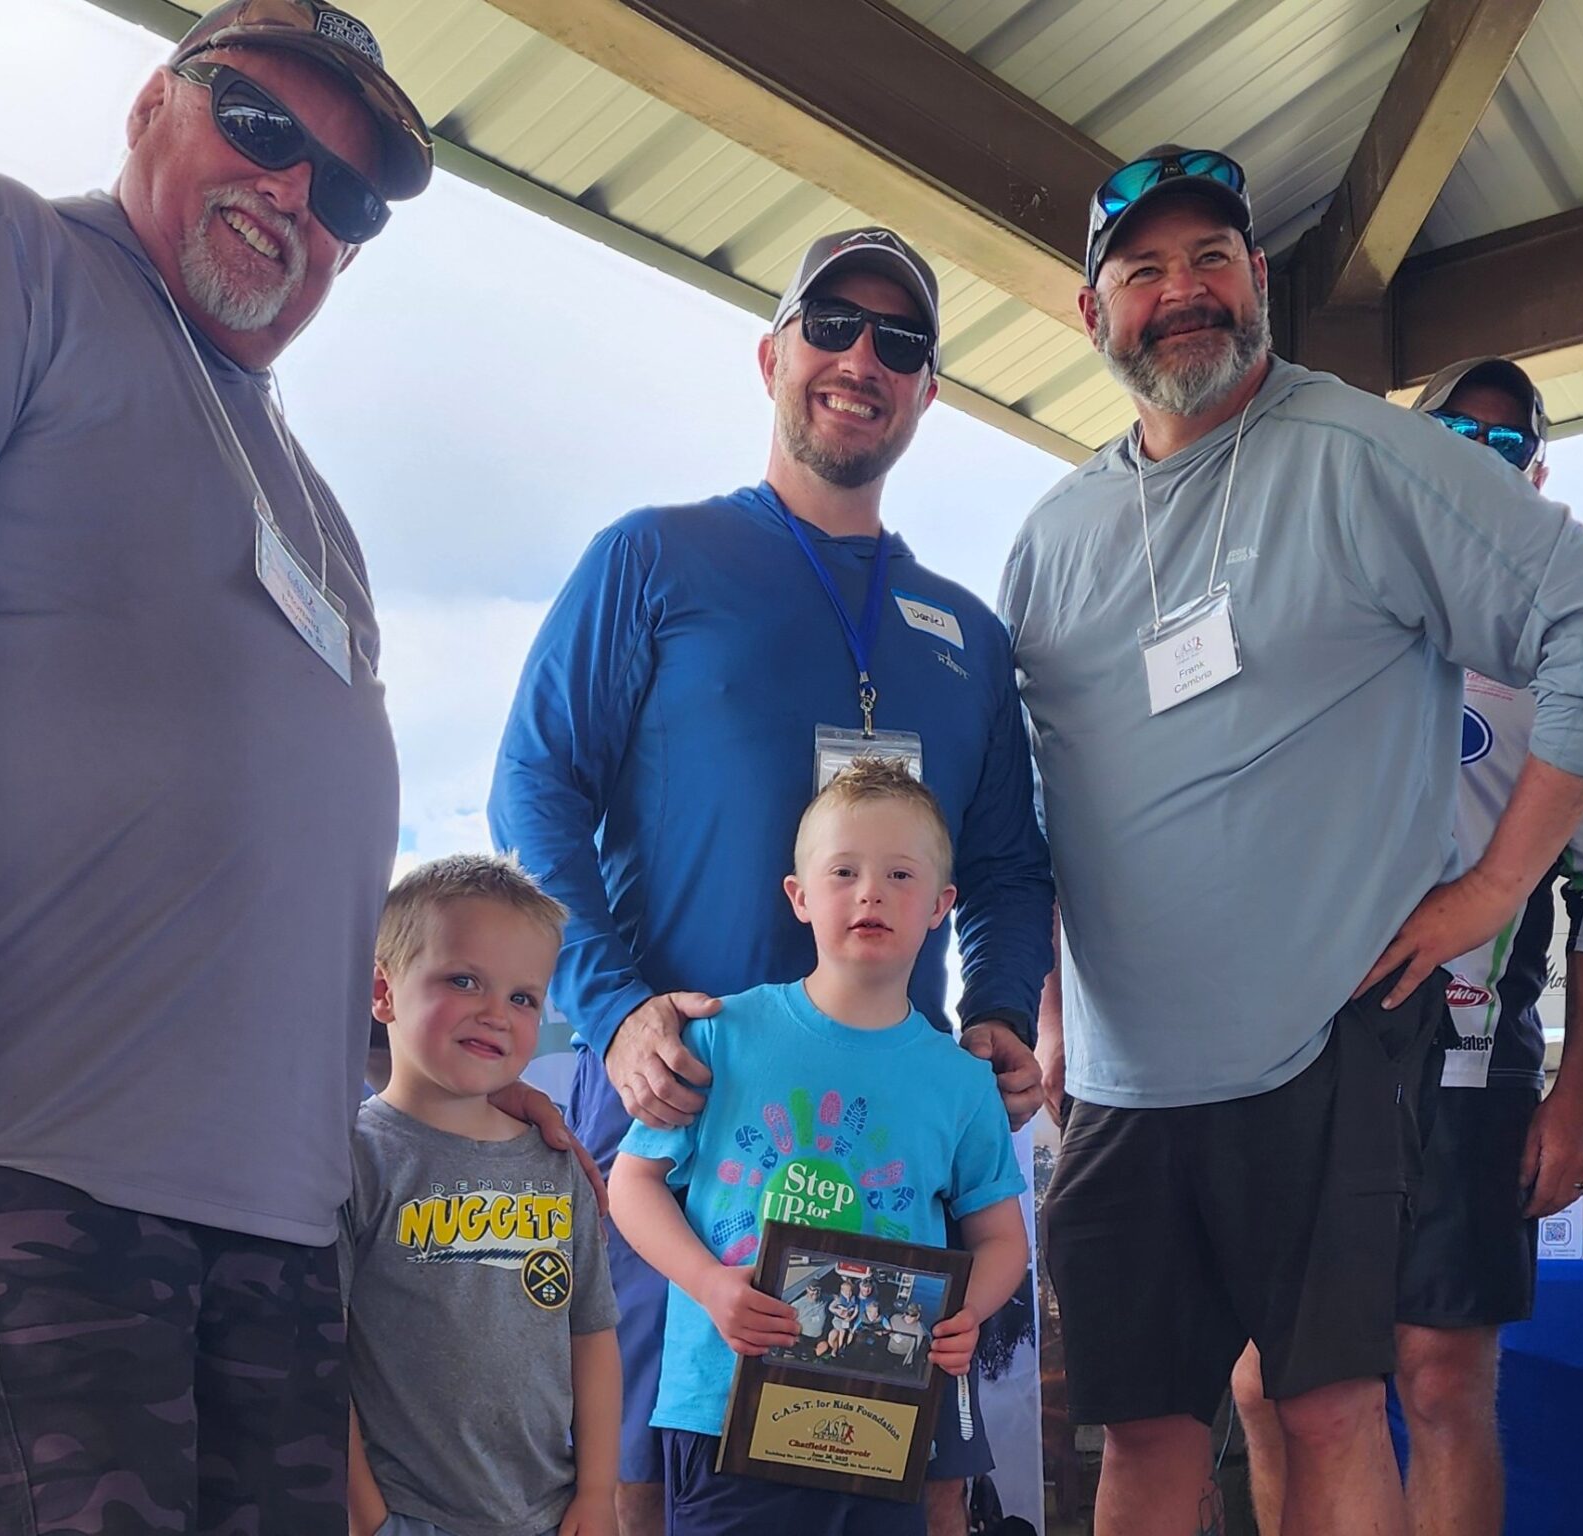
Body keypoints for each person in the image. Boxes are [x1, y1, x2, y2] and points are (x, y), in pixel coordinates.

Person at [0, 6, 599, 1530]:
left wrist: (450, 1087)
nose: (296, 195)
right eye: (263, 128)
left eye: (346, 195)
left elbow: (273, 860)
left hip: (277, 1246)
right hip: (21, 1183)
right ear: (154, 102)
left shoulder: (312, 498)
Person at [1004, 145, 1583, 1536]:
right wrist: (1055, 1000)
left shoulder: (1365, 451)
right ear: (1091, 313)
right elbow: (1048, 797)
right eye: (1142, 271)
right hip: (1123, 1083)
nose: (1180, 294)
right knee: (1147, 1435)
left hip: (1329, 1047)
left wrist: (1495, 885)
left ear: (1258, 281)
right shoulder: (1053, 535)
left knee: (1331, 1409)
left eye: (1211, 261)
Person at [491, 225, 1053, 1536]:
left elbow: (1013, 865)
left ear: (927, 392)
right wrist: (615, 1002)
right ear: (772, 354)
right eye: (832, 325)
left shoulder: (968, 633)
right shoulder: (654, 559)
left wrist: (1002, 1014)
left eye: (901, 342)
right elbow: (536, 788)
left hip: (886, 1148)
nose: (862, 357)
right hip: (679, 1124)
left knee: (913, 1490)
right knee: (647, 1483)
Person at [1229, 355, 1583, 1536]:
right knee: (1270, 1385)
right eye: (1451, 434)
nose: (1476, 454)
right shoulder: (1335, 603)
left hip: (1467, 1063)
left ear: (1537, 470)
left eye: (1503, 443)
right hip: (1298, 1061)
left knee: (1441, 1378)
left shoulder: (1570, 640)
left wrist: (1571, 1102)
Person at [609, 758, 1030, 1536]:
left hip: (887, 1419)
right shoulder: (720, 1035)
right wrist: (710, 1285)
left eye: (900, 873)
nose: (871, 891)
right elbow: (631, 1184)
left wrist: (969, 1310)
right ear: (799, 898)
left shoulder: (960, 1083)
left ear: (941, 906)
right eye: (844, 871)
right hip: (723, 1409)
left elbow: (1002, 1237)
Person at [343, 855, 619, 1536]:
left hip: (553, 1516)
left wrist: (597, 1493)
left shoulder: (558, 1165)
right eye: (464, 980)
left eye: (523, 997)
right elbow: (325, 1350)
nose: (496, 1014)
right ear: (384, 992)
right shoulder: (353, 1157)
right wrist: (368, 1518)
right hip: (408, 1518)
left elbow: (592, 1337)